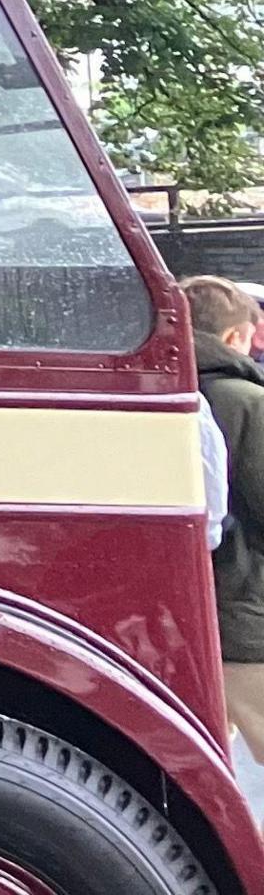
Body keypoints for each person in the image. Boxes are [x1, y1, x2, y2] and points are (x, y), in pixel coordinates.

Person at [186, 275, 264, 753]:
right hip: (246, 609)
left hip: (184, 616)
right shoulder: (249, 403)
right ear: (236, 337)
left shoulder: (149, 395)